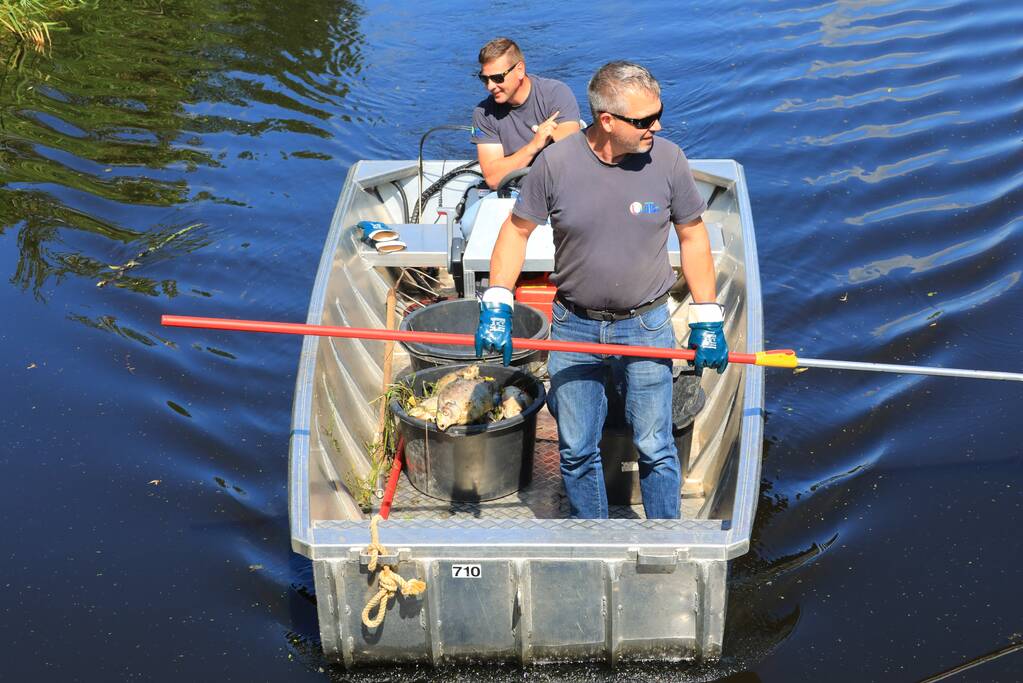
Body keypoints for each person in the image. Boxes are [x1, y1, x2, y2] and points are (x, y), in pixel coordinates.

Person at [474, 61, 729, 519]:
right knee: (575, 450)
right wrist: (497, 301)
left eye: (658, 113)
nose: (657, 126)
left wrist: (707, 316)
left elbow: (693, 236)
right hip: (574, 328)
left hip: (647, 326)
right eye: (644, 120)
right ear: (606, 121)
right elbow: (515, 233)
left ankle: (664, 543)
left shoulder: (668, 160)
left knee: (655, 446)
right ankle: (596, 537)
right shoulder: (555, 163)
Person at [471, 37, 581, 190]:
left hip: (558, 190)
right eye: (484, 79)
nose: (490, 86)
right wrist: (534, 145)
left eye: (497, 78)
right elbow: (493, 179)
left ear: (520, 70)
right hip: (513, 194)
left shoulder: (556, 94)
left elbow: (573, 156)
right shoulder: (483, 114)